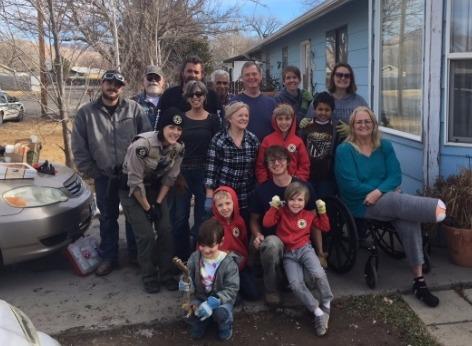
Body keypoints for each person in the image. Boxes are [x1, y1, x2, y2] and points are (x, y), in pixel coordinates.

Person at [335, 106, 447, 308]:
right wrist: (380, 192)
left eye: (367, 121)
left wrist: (380, 191)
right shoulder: (345, 150)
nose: (363, 125)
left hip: (384, 197)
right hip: (361, 203)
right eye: (359, 122)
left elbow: (395, 175)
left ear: (374, 124)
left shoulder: (384, 145)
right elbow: (348, 184)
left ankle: (419, 282)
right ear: (352, 126)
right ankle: (433, 209)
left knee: (408, 219)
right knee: (398, 202)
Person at [71, 70, 151, 276]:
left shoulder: (134, 109)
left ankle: (135, 255)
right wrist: (93, 172)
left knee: (134, 217)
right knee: (107, 218)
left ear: (122, 87)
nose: (113, 87)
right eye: (109, 82)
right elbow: (79, 148)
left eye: (118, 83)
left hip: (130, 175)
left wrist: (140, 168)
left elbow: (147, 139)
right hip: (103, 175)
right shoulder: (86, 113)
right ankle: (109, 256)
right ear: (102, 83)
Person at [119, 107, 185, 293]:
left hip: (155, 190)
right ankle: (149, 276)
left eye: (179, 129)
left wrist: (158, 203)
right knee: (146, 235)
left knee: (165, 230)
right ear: (162, 127)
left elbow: (170, 178)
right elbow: (135, 182)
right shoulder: (142, 145)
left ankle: (165, 274)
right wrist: (148, 209)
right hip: (133, 192)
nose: (175, 132)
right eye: (171, 127)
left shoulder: (178, 148)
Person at [249, 145, 324, 306]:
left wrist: (320, 252)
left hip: (300, 243)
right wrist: (257, 235)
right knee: (271, 245)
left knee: (310, 282)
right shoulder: (261, 191)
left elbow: (314, 220)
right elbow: (254, 220)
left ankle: (287, 278)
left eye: (281, 159)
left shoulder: (304, 187)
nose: (276, 163)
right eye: (271, 161)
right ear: (267, 165)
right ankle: (271, 289)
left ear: (288, 162)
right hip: (276, 240)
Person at [263, 182, 333, 336]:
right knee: (295, 284)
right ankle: (317, 311)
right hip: (289, 254)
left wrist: (322, 212)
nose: (296, 203)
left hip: (305, 249)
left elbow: (325, 227)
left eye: (300, 200)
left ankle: (327, 301)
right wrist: (273, 207)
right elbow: (267, 223)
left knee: (318, 274)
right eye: (292, 199)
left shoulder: (308, 215)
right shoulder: (281, 212)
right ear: (286, 200)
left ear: (305, 201)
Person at [173, 81, 221, 260]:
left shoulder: (213, 120)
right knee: (179, 219)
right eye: (191, 94)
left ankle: (200, 257)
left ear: (205, 97)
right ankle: (181, 258)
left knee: (203, 219)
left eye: (199, 94)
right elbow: (172, 147)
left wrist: (212, 182)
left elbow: (217, 151)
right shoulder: (180, 119)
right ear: (186, 97)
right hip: (182, 173)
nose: (195, 97)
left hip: (204, 173)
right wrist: (176, 174)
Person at [179, 218, 240, 341]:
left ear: (221, 242)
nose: (206, 250)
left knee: (221, 313)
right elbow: (187, 275)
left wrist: (214, 302)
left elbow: (232, 288)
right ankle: (201, 322)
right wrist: (185, 284)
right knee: (186, 310)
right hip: (200, 298)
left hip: (220, 301)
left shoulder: (229, 263)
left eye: (211, 245)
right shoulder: (195, 257)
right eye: (202, 245)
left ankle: (225, 325)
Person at [205, 101, 259, 223]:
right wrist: (209, 195)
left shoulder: (252, 140)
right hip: (224, 197)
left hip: (246, 195)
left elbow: (256, 168)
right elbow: (211, 169)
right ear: (229, 118)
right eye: (240, 115)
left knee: (243, 231)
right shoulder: (219, 139)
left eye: (246, 116)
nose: (244, 118)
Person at [212, 186, 260, 301]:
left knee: (253, 295)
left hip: (240, 265)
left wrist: (245, 259)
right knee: (235, 300)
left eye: (228, 203)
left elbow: (243, 241)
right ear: (215, 207)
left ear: (234, 203)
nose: (225, 208)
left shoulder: (240, 221)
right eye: (220, 205)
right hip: (221, 269)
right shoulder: (212, 225)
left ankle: (238, 286)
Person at [301, 63, 368, 135]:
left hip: (351, 144)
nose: (343, 78)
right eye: (339, 75)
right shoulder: (321, 99)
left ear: (351, 79)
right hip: (324, 144)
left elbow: (371, 126)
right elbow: (309, 123)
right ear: (333, 77)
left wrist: (352, 130)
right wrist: (304, 122)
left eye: (347, 76)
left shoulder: (359, 102)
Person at [255, 103, 310, 184]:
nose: (284, 122)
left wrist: (298, 183)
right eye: (280, 119)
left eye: (287, 119)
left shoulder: (298, 142)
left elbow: (304, 165)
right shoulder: (267, 140)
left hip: (293, 187)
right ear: (275, 120)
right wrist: (265, 183)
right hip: (272, 184)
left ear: (293, 120)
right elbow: (260, 165)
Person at [299, 92, 340, 197]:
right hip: (308, 174)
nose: (323, 113)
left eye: (327, 110)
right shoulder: (307, 125)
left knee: (324, 203)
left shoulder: (336, 128)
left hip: (327, 176)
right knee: (309, 201)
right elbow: (300, 146)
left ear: (332, 111)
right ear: (314, 109)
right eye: (320, 109)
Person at [158, 56, 222, 117]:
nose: (193, 75)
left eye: (196, 72)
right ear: (182, 73)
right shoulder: (169, 95)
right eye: (189, 71)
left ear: (202, 75)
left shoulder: (212, 97)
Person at [231, 61, 276, 140]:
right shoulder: (234, 103)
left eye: (254, 74)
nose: (251, 77)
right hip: (242, 150)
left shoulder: (271, 103)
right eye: (247, 75)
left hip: (267, 150)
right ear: (242, 78)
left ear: (260, 76)